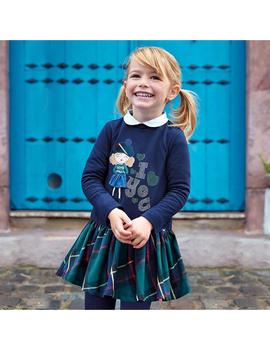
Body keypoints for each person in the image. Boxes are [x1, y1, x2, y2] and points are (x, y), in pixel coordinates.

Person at [56, 46, 198, 310]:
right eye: (136, 76)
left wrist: (147, 221)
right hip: (105, 235)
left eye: (155, 77)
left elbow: (179, 191)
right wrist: (110, 211)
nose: (144, 83)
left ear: (172, 91)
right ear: (125, 85)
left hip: (145, 240)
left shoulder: (173, 137)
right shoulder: (111, 131)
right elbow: (90, 178)